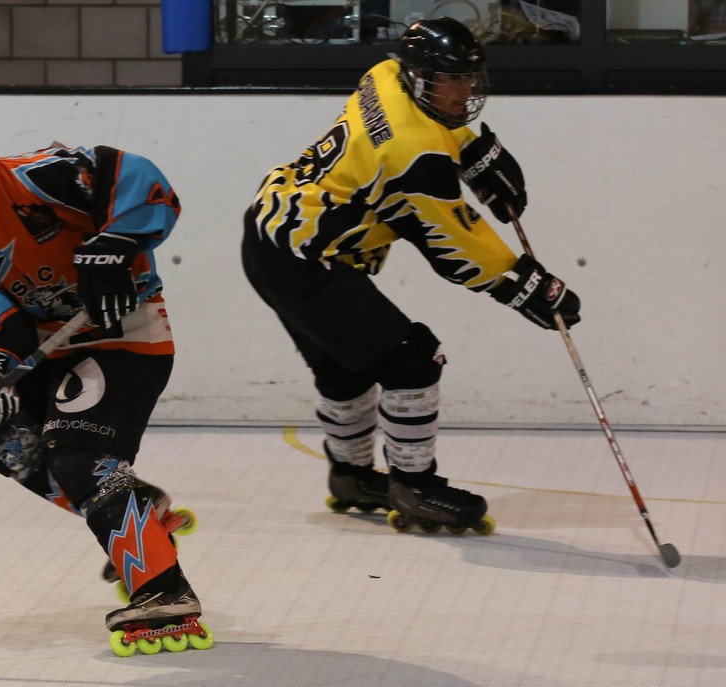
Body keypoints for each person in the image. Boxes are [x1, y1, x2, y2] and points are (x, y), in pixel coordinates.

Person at [0, 90, 209, 653]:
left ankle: (163, 590)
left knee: (77, 453)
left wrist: (115, 242)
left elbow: (141, 179)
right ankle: (135, 512)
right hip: (55, 348)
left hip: (124, 333)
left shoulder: (35, 178)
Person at [240, 18, 581, 532]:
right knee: (414, 360)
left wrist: (474, 153)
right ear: (420, 77)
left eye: (469, 77)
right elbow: (455, 244)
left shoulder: (384, 74)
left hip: (273, 235)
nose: (465, 91)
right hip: (308, 262)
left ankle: (351, 476)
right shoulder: (413, 157)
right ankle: (415, 485)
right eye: (452, 79)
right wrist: (524, 284)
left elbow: (428, 128)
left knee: (347, 369)